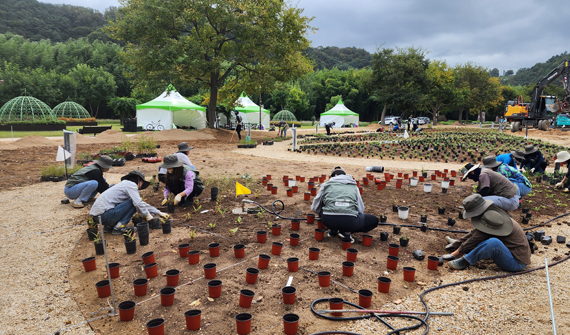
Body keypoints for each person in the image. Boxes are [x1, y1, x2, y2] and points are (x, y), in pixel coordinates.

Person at [443, 194, 530, 272]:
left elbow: (475, 238)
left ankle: (465, 261)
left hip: (516, 262)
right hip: (511, 253)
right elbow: (476, 232)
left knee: (493, 243)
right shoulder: (489, 215)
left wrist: (455, 253)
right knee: (485, 240)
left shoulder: (493, 219)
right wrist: (457, 244)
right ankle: (457, 243)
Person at [311, 166, 379, 243]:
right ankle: (346, 232)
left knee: (325, 202)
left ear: (332, 176)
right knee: (374, 220)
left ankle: (333, 230)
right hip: (350, 221)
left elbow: (315, 207)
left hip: (328, 220)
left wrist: (322, 214)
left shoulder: (325, 185)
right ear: (345, 175)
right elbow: (360, 209)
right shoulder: (354, 187)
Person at [90, 170, 168, 235]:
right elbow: (138, 203)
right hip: (104, 216)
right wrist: (148, 216)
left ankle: (109, 226)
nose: (140, 187)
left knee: (131, 202)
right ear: (139, 180)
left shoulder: (124, 185)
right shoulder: (131, 185)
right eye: (141, 184)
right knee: (133, 202)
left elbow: (141, 203)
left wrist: (158, 212)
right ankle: (119, 227)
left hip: (99, 217)